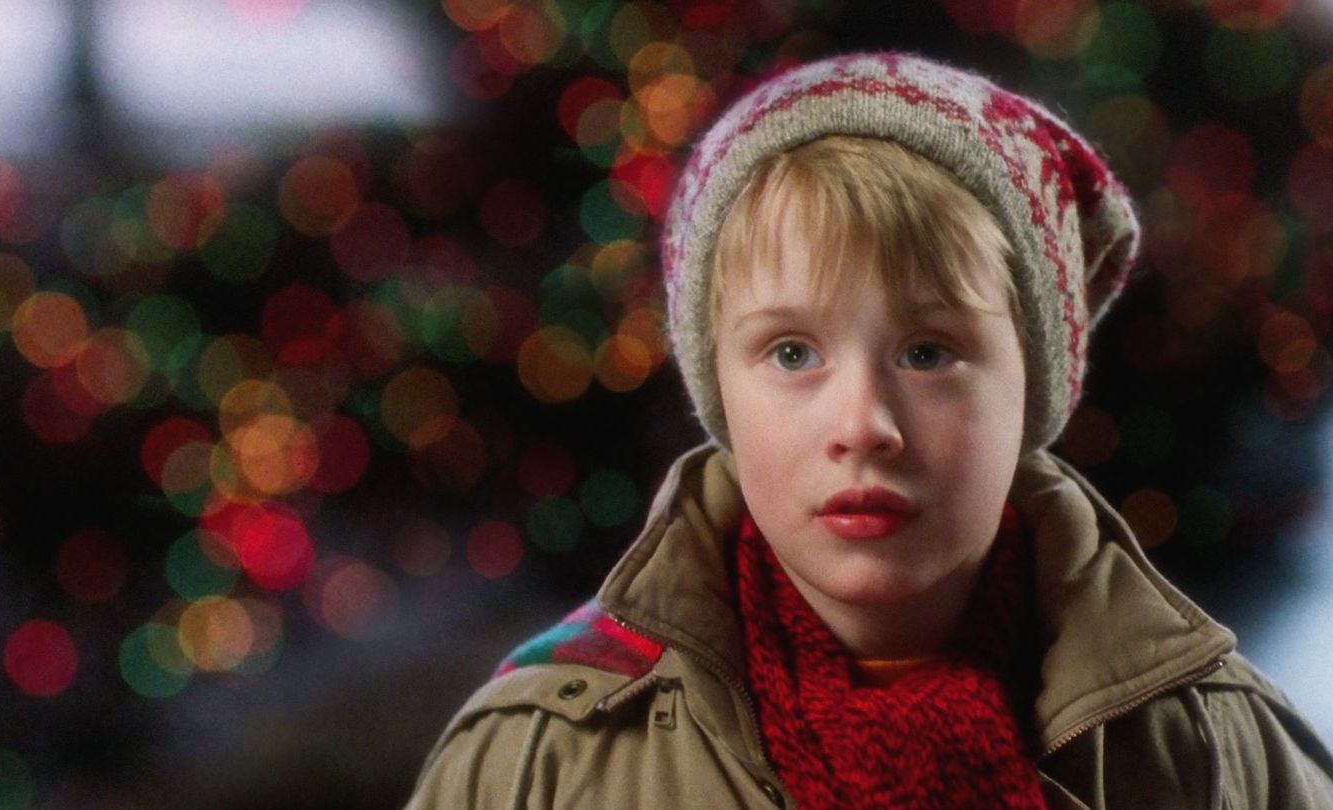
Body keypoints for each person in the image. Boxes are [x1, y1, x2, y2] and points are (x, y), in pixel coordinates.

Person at [404, 52, 1333, 809]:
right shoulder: (538, 763)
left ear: (1034, 391)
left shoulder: (1217, 754)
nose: (862, 426)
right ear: (716, 387)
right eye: (792, 354)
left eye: (929, 353)